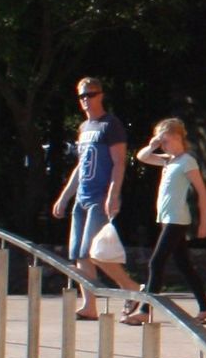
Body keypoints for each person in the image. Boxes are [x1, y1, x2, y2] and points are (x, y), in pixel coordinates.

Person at [50, 76, 140, 320]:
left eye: (90, 94)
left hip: (100, 196)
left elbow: (119, 162)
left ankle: (130, 286)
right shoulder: (84, 128)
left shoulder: (111, 125)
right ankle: (89, 304)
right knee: (79, 253)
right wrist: (65, 196)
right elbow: (81, 166)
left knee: (95, 251)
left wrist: (113, 194)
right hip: (82, 197)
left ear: (101, 95)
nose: (86, 100)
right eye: (81, 96)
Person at [135, 117, 206, 320]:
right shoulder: (168, 160)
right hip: (167, 219)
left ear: (178, 137)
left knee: (156, 263)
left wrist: (204, 223)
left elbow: (202, 192)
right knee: (184, 265)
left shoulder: (187, 161)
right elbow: (142, 156)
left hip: (176, 220)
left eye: (166, 140)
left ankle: (145, 311)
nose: (163, 145)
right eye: (161, 142)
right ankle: (205, 307)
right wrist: (153, 144)